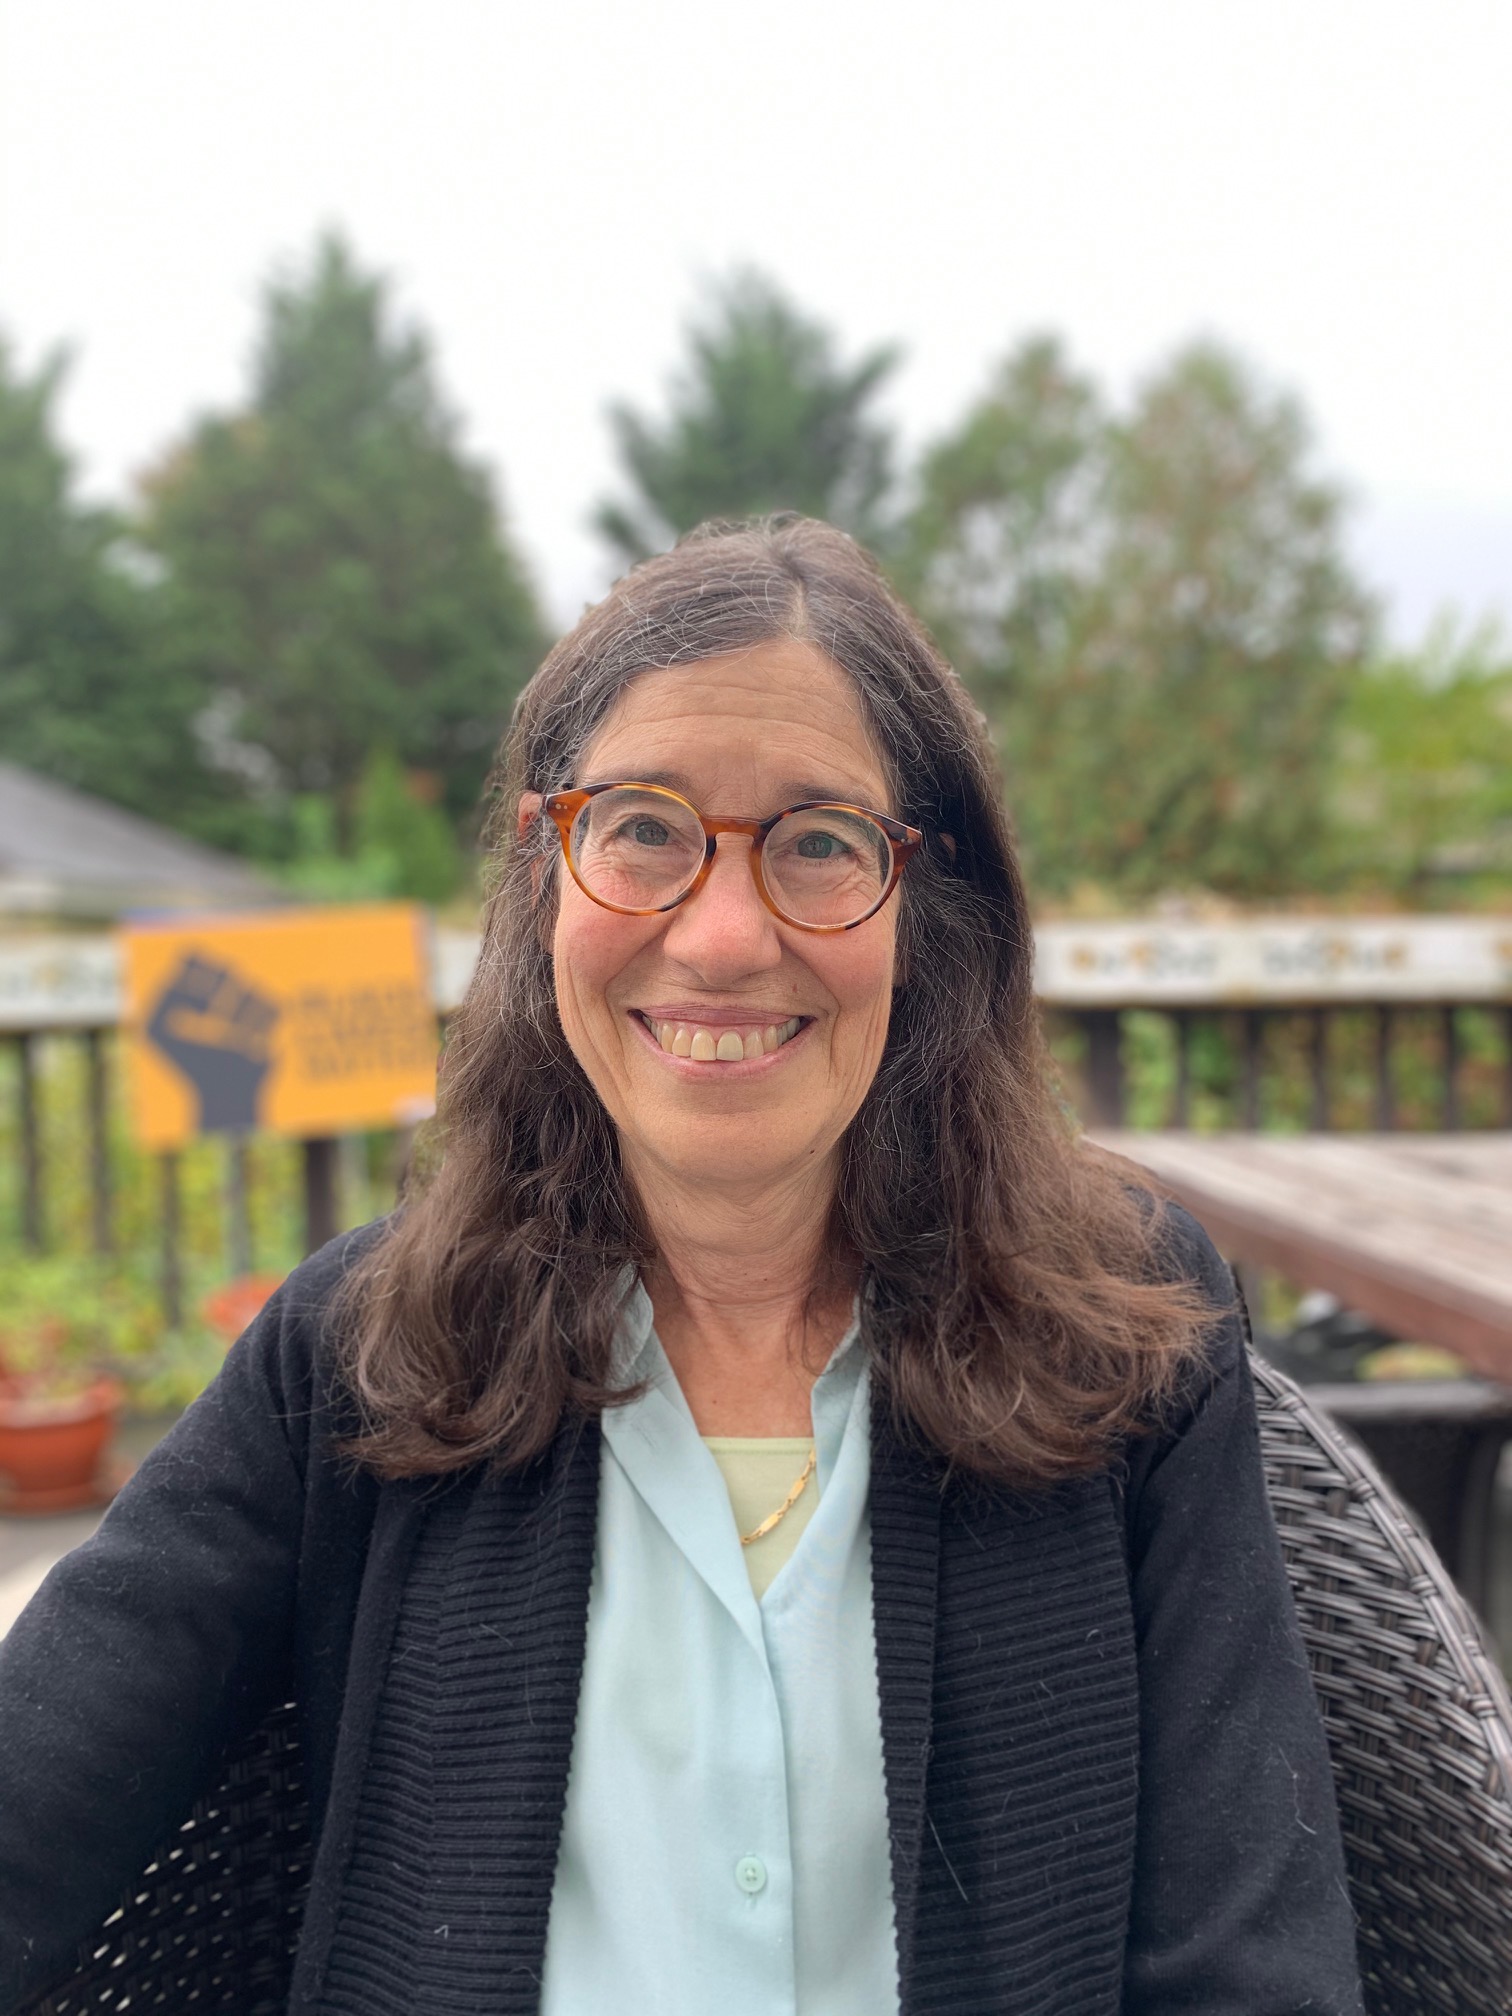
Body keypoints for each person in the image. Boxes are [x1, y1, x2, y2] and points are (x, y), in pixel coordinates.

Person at [0, 516, 1363, 2014]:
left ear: (930, 911)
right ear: (546, 876)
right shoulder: (361, 1350)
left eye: (820, 844)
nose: (720, 938)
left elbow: (1256, 1959)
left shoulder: (1129, 1341)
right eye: (642, 825)